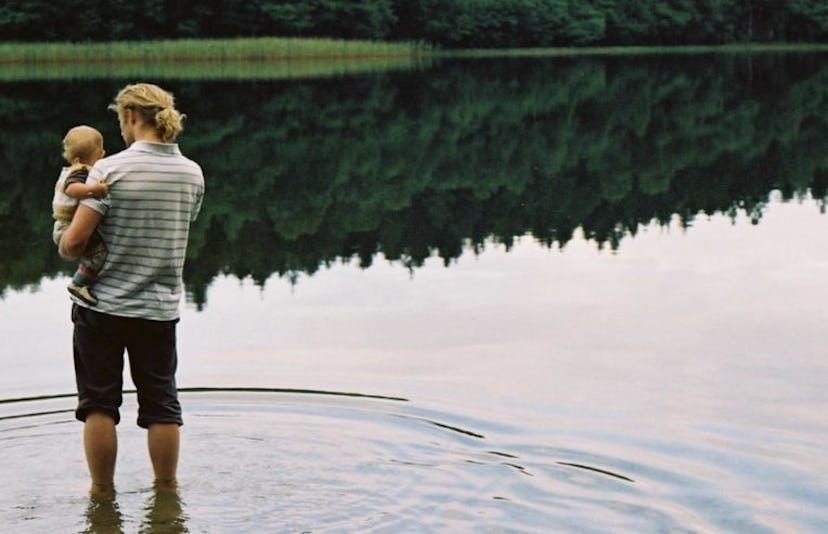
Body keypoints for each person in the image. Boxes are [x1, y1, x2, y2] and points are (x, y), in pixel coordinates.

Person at [59, 83, 205, 498]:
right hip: (159, 308)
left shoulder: (109, 171)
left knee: (99, 405)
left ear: (129, 117)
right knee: (162, 404)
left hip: (101, 306)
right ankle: (166, 493)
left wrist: (62, 234)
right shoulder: (192, 173)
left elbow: (73, 245)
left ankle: (101, 495)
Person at [52, 125, 109, 305]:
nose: (103, 155)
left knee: (92, 250)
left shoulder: (71, 169)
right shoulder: (80, 170)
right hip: (67, 227)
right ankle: (79, 283)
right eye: (99, 153)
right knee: (100, 253)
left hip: (63, 225)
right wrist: (93, 189)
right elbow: (72, 189)